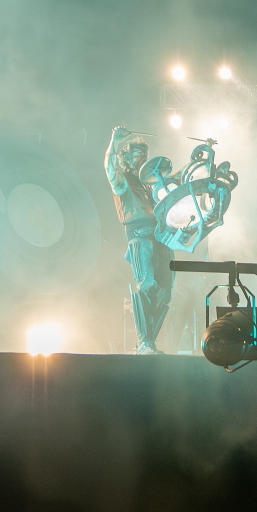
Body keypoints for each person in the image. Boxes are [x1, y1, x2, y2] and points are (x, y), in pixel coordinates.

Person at [105, 126, 172, 354]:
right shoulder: (124, 183)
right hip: (140, 237)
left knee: (165, 291)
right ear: (126, 158)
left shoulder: (149, 186)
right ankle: (145, 343)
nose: (143, 158)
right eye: (138, 154)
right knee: (147, 285)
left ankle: (149, 341)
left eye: (145, 154)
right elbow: (110, 168)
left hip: (161, 239)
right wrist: (115, 142)